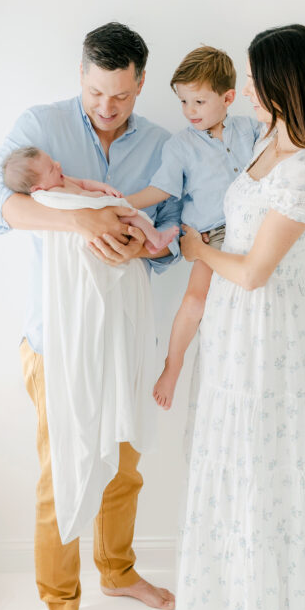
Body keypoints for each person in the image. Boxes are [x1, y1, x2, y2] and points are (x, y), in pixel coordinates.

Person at [0, 22, 181, 610]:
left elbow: (172, 227)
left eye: (120, 95)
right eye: (96, 92)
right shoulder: (40, 126)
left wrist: (138, 247)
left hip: (123, 337)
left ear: (140, 84)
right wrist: (80, 217)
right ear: (82, 77)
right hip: (56, 339)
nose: (106, 107)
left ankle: (117, 571)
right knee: (62, 471)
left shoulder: (159, 144)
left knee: (124, 466)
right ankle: (61, 605)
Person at [173, 24, 305, 610]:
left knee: (260, 462)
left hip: (262, 330)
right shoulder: (264, 140)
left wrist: (198, 254)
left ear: (285, 82)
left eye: (255, 77)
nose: (245, 87)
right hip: (231, 323)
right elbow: (244, 235)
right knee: (229, 454)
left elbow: (254, 272)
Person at [125, 46, 261, 408]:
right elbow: (162, 189)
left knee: (250, 301)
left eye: (199, 102)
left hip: (253, 228)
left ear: (228, 98)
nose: (189, 112)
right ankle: (173, 365)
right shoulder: (181, 145)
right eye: (184, 102)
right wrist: (122, 203)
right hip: (209, 233)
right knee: (194, 300)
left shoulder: (249, 129)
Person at [2, 145, 179, 254]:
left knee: (133, 219)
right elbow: (79, 200)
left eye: (52, 160)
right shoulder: (53, 194)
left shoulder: (62, 179)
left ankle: (153, 241)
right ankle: (156, 238)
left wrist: (104, 188)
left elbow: (84, 184)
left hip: (104, 210)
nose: (58, 165)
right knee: (133, 217)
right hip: (98, 218)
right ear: (38, 188)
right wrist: (97, 198)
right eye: (51, 169)